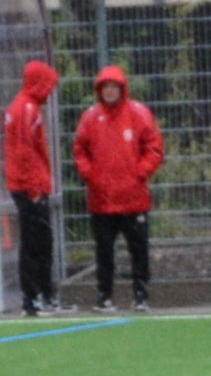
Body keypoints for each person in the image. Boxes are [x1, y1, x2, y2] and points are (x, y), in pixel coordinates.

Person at [72, 65, 161, 312]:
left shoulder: (139, 114)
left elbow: (154, 148)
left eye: (114, 87)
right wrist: (91, 175)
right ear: (99, 90)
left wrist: (139, 173)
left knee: (138, 250)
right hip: (102, 200)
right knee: (104, 252)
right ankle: (104, 297)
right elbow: (80, 150)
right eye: (105, 87)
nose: (110, 91)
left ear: (122, 89)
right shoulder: (90, 118)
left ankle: (141, 296)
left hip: (134, 199)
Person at [6, 58, 62, 316]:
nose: (50, 91)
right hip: (30, 187)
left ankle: (41, 296)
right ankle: (35, 297)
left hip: (27, 184)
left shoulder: (23, 106)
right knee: (36, 243)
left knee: (38, 241)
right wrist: (34, 188)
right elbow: (24, 151)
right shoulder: (27, 108)